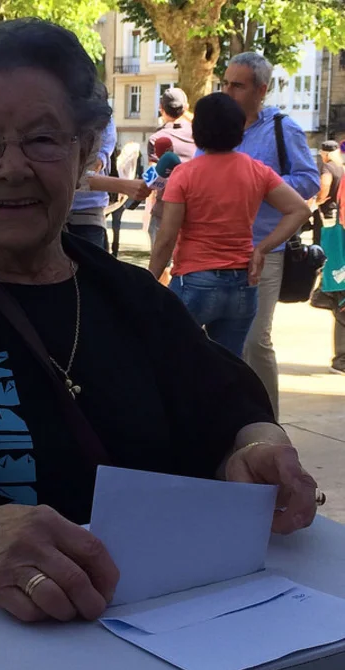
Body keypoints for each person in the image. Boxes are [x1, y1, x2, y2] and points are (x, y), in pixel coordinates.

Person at [0, 19, 318, 661]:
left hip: (147, 650)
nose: (12, 168)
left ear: (83, 153)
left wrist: (260, 448)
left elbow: (231, 408)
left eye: (43, 139)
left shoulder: (129, 296)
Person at [149, 93, 310, 358]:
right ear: (239, 129)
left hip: (195, 280)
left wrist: (149, 282)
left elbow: (166, 238)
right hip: (242, 284)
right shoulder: (256, 170)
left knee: (174, 361)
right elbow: (299, 210)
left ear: (198, 130)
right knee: (228, 368)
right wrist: (262, 249)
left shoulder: (184, 174)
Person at [221, 52, 319, 418]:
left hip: (265, 249)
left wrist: (262, 186)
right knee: (218, 342)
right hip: (216, 250)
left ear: (261, 91)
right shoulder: (218, 126)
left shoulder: (282, 128)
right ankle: (229, 421)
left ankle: (267, 424)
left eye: (237, 85)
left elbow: (308, 180)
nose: (227, 92)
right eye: (225, 83)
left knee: (255, 341)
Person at [66, 117, 117, 250]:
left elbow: (94, 165)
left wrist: (126, 186)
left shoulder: (103, 118)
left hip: (87, 212)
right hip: (51, 213)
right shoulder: (54, 112)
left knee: (92, 261)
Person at [147, 88, 195, 165]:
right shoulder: (197, 134)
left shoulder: (155, 139)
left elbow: (153, 171)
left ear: (161, 108)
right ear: (186, 108)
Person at [312, 140, 344, 246]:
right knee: (335, 241)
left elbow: (325, 185)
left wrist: (317, 201)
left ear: (326, 154)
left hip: (325, 211)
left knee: (322, 241)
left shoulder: (327, 167)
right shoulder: (341, 167)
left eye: (321, 153)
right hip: (338, 210)